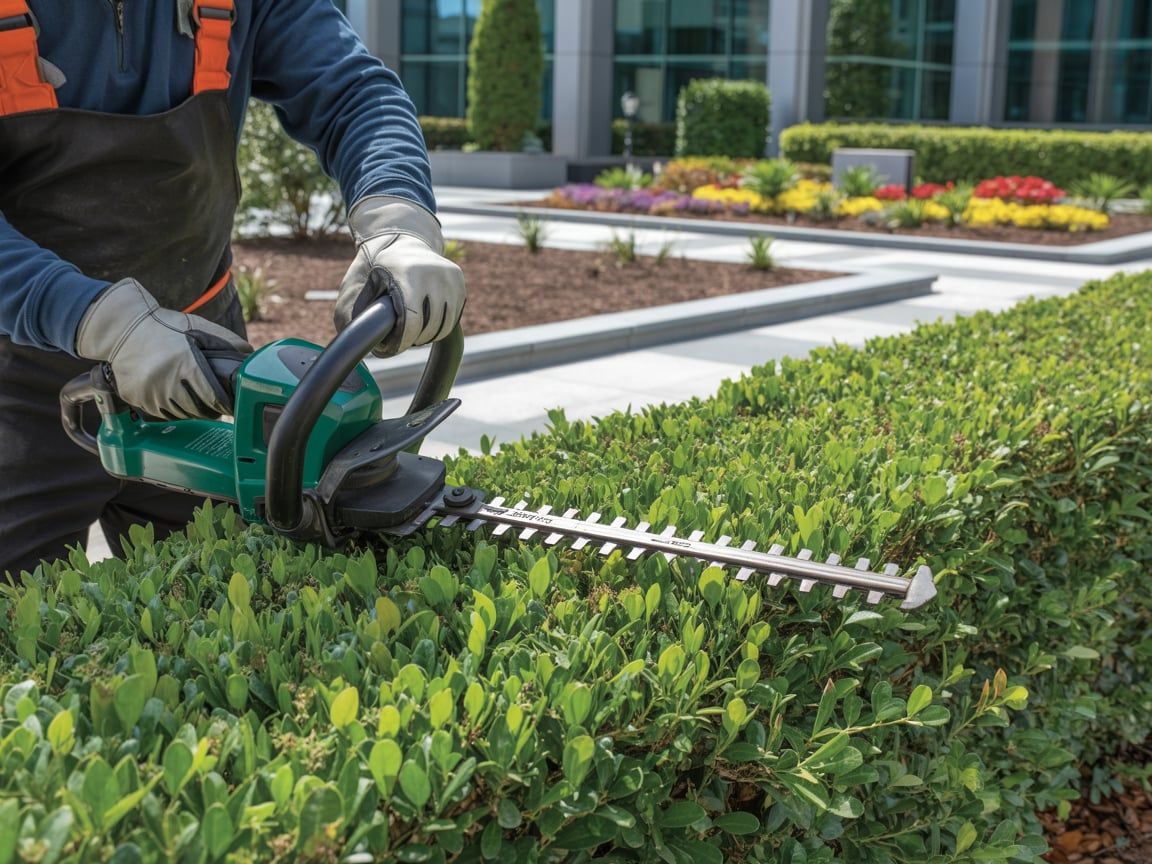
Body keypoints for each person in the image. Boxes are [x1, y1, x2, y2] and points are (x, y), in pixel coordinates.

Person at [0, 0, 466, 577]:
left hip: (199, 369)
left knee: (226, 600)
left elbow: (354, 91)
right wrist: (98, 320)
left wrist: (399, 221)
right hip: (16, 383)